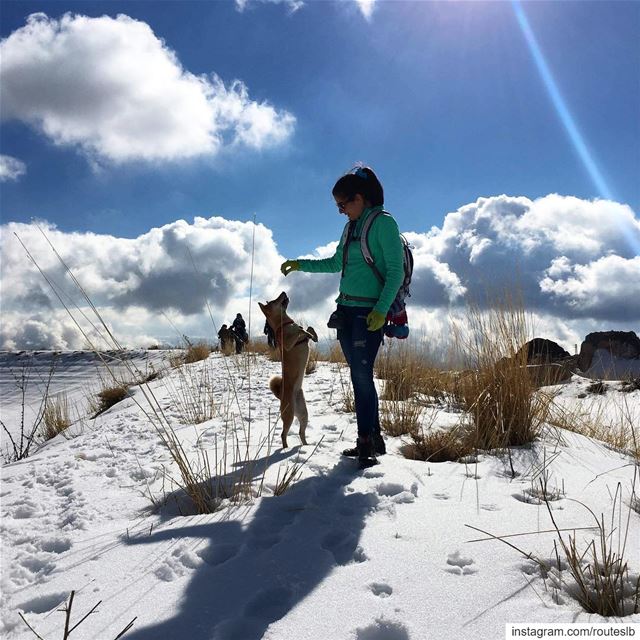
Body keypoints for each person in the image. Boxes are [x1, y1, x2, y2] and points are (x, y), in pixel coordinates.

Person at [280, 166, 404, 468]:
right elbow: (336, 262)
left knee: (362, 377)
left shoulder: (383, 224)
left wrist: (380, 310)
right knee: (358, 376)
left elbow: (395, 272)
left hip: (367, 314)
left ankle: (365, 444)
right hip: (346, 312)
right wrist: (300, 264)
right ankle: (374, 437)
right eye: (338, 206)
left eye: (343, 204)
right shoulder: (350, 228)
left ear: (359, 198)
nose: (340, 211)